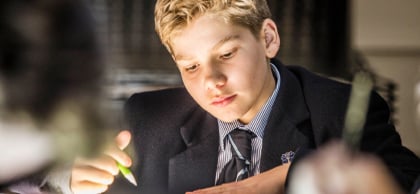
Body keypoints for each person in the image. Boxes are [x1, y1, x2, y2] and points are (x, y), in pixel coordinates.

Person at [70, 0, 420, 194]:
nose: (212, 82)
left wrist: (288, 175)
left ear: (268, 39)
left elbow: (404, 179)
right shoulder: (147, 119)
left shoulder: (338, 110)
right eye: (191, 67)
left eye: (226, 55)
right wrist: (73, 185)